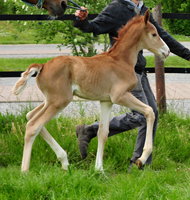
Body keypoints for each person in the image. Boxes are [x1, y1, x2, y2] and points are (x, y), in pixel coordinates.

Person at [73, 0, 190, 171]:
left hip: (138, 69)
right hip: (121, 72)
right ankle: (93, 131)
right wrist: (81, 20)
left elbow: (161, 36)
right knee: (142, 115)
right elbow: (93, 27)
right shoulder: (117, 8)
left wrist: (188, 55)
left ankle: (138, 163)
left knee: (152, 113)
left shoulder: (142, 10)